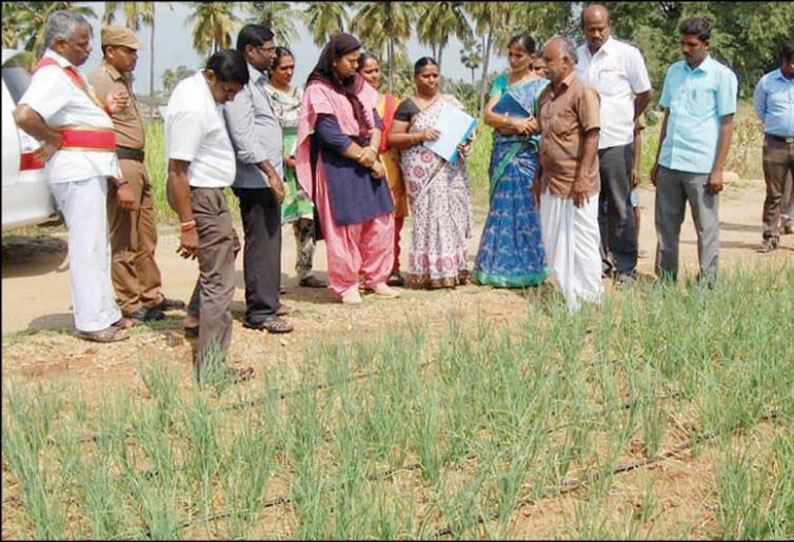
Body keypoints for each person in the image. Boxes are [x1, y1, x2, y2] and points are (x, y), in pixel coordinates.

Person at [13, 10, 132, 342]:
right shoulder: (52, 75)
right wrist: (52, 138)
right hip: (77, 170)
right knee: (87, 246)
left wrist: (104, 109)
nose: (89, 48)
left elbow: (75, 116)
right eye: (82, 43)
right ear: (60, 43)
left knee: (98, 244)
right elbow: (24, 114)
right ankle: (93, 322)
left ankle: (105, 312)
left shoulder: (70, 75)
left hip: (88, 168)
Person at [165, 49, 254, 383]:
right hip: (201, 196)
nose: (229, 99)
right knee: (220, 283)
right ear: (211, 75)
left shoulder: (199, 92)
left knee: (229, 246)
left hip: (208, 194)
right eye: (227, 91)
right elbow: (177, 171)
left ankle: (194, 317)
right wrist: (188, 225)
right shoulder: (194, 106)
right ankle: (212, 368)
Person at [87, 25, 184, 325]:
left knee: (145, 235)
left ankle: (151, 295)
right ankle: (129, 302)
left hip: (137, 162)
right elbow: (98, 130)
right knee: (125, 237)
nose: (134, 57)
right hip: (121, 162)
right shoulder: (99, 81)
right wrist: (118, 180)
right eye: (128, 51)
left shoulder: (122, 80)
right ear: (110, 51)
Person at [294, 33, 399, 304]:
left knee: (380, 220)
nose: (355, 66)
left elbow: (375, 121)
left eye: (357, 61)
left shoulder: (359, 85)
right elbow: (330, 134)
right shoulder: (318, 89)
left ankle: (376, 278)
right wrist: (366, 158)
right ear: (335, 59)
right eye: (350, 61)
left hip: (367, 155)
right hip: (339, 164)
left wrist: (374, 151)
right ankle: (346, 283)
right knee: (345, 226)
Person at [651, 17, 737, 286]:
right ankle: (665, 282)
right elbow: (668, 115)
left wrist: (718, 169)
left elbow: (726, 124)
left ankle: (708, 286)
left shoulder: (722, 76)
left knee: (706, 229)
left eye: (691, 44)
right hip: (670, 163)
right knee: (666, 228)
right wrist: (657, 161)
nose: (685, 50)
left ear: (706, 45)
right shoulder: (674, 72)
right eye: (682, 44)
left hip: (701, 167)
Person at [221, 25, 293, 334]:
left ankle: (268, 300)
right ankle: (260, 312)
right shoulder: (242, 82)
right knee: (262, 241)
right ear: (250, 50)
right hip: (255, 177)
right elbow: (243, 133)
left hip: (263, 175)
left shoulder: (257, 82)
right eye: (269, 50)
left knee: (269, 239)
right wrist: (269, 170)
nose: (273, 55)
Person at [576, 3, 653, 282]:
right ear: (583, 28)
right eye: (590, 29)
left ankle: (625, 266)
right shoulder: (576, 57)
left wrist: (625, 118)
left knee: (620, 206)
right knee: (591, 206)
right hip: (585, 146)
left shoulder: (627, 55)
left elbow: (644, 93)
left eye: (600, 28)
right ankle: (598, 264)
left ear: (610, 26)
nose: (596, 34)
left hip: (616, 142)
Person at [388, 57, 474, 289]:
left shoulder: (450, 103)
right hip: (422, 173)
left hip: (450, 169)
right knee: (429, 218)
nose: (432, 80)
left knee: (450, 217)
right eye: (426, 76)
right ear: (416, 77)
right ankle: (429, 272)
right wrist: (420, 135)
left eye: (435, 75)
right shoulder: (408, 105)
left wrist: (464, 144)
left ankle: (454, 269)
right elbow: (393, 138)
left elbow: (466, 132)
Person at [473, 33, 548, 288]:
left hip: (526, 154)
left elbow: (541, 122)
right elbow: (488, 115)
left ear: (532, 57)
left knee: (526, 206)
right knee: (500, 208)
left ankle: (529, 266)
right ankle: (495, 267)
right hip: (502, 152)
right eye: (511, 54)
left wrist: (518, 126)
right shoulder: (501, 82)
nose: (514, 60)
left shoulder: (541, 86)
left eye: (520, 55)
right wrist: (513, 123)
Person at [535, 37, 603, 311]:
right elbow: (544, 139)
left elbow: (592, 135)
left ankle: (589, 299)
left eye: (549, 60)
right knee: (554, 243)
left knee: (583, 244)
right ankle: (567, 296)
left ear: (566, 61)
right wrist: (538, 177)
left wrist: (583, 177)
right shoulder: (544, 95)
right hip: (552, 182)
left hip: (578, 183)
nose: (543, 65)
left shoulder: (583, 91)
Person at [266, 46, 326, 289]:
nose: (289, 72)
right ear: (272, 69)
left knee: (306, 219)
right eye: (283, 68)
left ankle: (305, 270)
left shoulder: (301, 94)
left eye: (292, 67)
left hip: (302, 160)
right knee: (275, 221)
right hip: (275, 160)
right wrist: (281, 157)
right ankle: (270, 276)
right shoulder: (265, 94)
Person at [357, 52, 409, 286]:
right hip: (360, 162)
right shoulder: (351, 100)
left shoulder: (392, 102)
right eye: (368, 71)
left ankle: (391, 268)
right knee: (363, 221)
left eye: (377, 70)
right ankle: (362, 271)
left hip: (389, 164)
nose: (374, 75)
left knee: (393, 220)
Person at [752, 38, 794, 252]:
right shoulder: (767, 82)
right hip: (775, 145)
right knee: (774, 193)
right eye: (792, 63)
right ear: (783, 61)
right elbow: (760, 110)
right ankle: (770, 236)